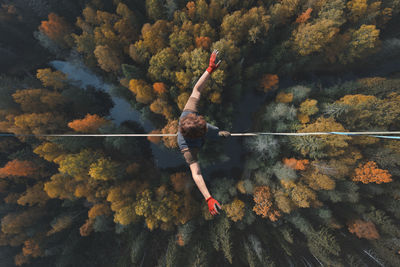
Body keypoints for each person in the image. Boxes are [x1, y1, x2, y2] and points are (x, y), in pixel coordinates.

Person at [177, 49, 231, 216]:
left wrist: (209, 70)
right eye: (202, 128)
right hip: (197, 143)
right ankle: (217, 135)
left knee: (216, 132)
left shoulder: (188, 113)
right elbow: (197, 173)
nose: (203, 125)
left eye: (202, 124)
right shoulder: (187, 149)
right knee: (215, 134)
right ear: (197, 135)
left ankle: (218, 134)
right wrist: (208, 198)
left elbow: (197, 89)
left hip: (200, 133)